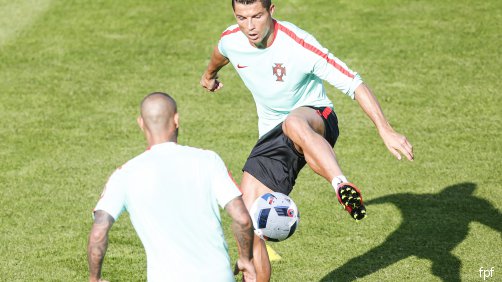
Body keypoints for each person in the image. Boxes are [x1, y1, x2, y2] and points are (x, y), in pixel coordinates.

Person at [200, 0, 414, 281]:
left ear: (272, 11)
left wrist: (385, 129)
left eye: (257, 16)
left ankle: (340, 184)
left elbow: (354, 82)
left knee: (293, 122)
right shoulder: (232, 39)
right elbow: (220, 52)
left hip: (316, 119)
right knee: (248, 220)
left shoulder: (298, 45)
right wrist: (209, 75)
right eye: (242, 18)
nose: (250, 26)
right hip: (272, 137)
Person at [87, 92, 256, 282]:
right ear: (176, 119)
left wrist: (95, 278)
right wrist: (245, 259)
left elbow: (99, 230)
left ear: (141, 123)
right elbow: (242, 219)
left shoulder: (125, 174)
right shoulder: (208, 160)